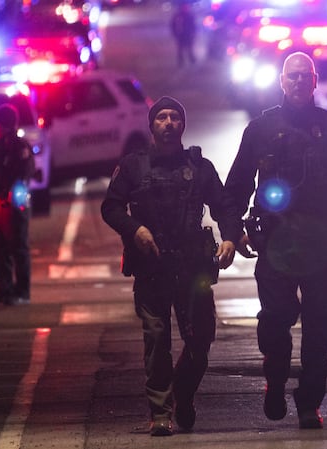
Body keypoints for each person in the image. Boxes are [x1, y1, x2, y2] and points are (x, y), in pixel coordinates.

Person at [225, 51, 327, 429]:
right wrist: (232, 229)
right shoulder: (260, 129)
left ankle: (309, 403)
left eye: (305, 75)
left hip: (322, 244)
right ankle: (275, 379)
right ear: (281, 80)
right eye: (292, 76)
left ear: (315, 80)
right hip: (276, 244)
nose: (298, 82)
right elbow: (237, 185)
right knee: (275, 320)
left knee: (319, 329)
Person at [101, 96, 241, 436]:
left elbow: (224, 205)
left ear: (182, 124)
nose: (168, 123)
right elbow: (111, 207)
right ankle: (160, 411)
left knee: (200, 340)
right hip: (152, 268)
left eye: (174, 117)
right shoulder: (133, 167)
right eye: (161, 117)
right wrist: (136, 230)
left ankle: (183, 392)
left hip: (193, 269)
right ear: (151, 126)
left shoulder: (199, 167)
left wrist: (230, 238)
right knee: (157, 338)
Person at [0, 103, 35, 306]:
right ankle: (5, 290)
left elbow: (25, 173)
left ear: (3, 124)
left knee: (18, 248)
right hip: (0, 205)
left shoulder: (19, 146)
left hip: (15, 205)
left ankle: (22, 292)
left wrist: (15, 197)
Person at [170, 1, 196, 67]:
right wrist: (175, 33)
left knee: (190, 47)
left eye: (186, 7)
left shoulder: (190, 15)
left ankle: (191, 59)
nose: (186, 8)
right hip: (181, 34)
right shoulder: (178, 16)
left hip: (188, 34)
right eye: (184, 7)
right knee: (180, 48)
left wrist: (193, 32)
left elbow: (193, 25)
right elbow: (173, 25)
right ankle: (181, 61)